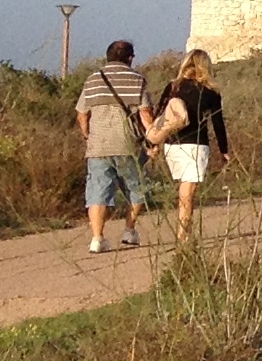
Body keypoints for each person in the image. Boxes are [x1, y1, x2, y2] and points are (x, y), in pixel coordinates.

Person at [75, 40, 152, 255]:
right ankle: (129, 229)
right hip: (129, 145)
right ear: (130, 58)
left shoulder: (92, 80)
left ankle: (97, 238)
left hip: (98, 145)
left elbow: (82, 113)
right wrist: (153, 138)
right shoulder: (137, 80)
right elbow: (145, 114)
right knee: (136, 188)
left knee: (98, 191)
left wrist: (87, 135)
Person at [146, 50, 231, 245]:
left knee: (184, 188)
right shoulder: (210, 92)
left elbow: (161, 116)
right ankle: (183, 234)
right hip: (196, 144)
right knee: (188, 191)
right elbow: (218, 123)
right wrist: (224, 150)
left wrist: (153, 143)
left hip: (172, 144)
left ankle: (184, 230)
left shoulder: (173, 87)